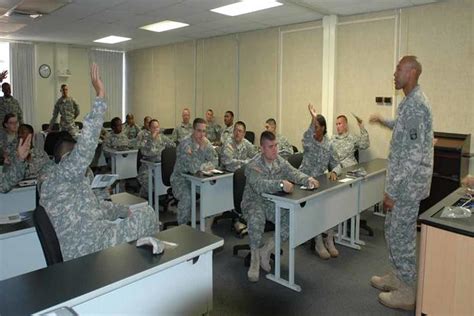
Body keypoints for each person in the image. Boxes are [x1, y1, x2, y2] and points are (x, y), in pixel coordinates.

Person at [40, 64, 159, 262]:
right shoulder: (62, 176)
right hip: (89, 246)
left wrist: (121, 210)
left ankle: (139, 263)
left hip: (92, 236)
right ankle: (152, 266)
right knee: (147, 214)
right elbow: (86, 147)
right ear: (66, 159)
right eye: (74, 156)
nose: (81, 163)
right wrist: (100, 98)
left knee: (137, 213)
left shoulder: (68, 182)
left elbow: (95, 207)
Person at [369, 56, 433, 311]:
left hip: (407, 187)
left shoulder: (417, 104)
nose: (394, 73)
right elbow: (403, 128)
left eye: (399, 68)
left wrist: (393, 192)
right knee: (392, 231)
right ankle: (397, 275)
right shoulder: (410, 102)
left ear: (413, 72)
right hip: (402, 184)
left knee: (402, 236)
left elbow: (414, 155)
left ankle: (407, 292)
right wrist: (383, 120)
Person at [242, 131, 319, 282]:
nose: (275, 149)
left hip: (271, 202)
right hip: (253, 201)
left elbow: (293, 172)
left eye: (276, 145)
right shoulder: (253, 165)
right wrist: (281, 184)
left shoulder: (279, 160)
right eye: (270, 147)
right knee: (257, 220)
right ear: (262, 148)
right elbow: (258, 185)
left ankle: (266, 251)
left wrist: (307, 179)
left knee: (291, 221)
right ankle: (255, 260)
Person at [299, 104, 342, 259]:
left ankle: (329, 238)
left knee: (332, 204)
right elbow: (307, 135)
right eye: (314, 127)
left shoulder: (329, 144)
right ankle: (318, 241)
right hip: (305, 180)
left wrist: (334, 172)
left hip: (321, 181)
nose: (315, 130)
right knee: (317, 206)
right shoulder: (309, 140)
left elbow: (337, 164)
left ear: (323, 129)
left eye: (317, 127)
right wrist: (313, 118)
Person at [171, 118, 218, 225]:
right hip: (181, 179)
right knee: (187, 197)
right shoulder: (185, 144)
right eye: (199, 131)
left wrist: (202, 166)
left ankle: (203, 224)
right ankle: (182, 228)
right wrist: (201, 150)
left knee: (213, 191)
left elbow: (215, 161)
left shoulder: (206, 142)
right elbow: (192, 168)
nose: (202, 134)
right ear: (193, 130)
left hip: (197, 179)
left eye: (204, 131)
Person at [137, 119, 175, 197]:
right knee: (149, 183)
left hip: (161, 167)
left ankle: (158, 197)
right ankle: (146, 197)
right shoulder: (145, 139)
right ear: (150, 128)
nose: (156, 129)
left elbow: (173, 146)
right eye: (153, 127)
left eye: (157, 127)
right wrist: (152, 140)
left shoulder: (163, 138)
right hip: (147, 168)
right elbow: (146, 153)